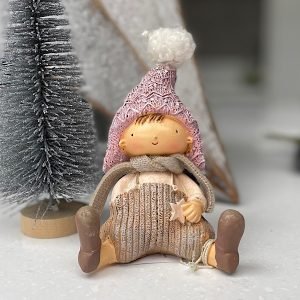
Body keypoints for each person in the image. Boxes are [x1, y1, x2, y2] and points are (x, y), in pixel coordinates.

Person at [75, 28, 245, 274]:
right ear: (122, 143)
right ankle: (98, 253)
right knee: (118, 237)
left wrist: (196, 204)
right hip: (131, 227)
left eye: (167, 129)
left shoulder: (179, 174)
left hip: (179, 226)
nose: (154, 137)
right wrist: (117, 212)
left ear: (188, 141)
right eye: (138, 131)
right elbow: (116, 196)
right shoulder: (129, 174)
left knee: (194, 236)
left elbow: (194, 192)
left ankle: (217, 253)